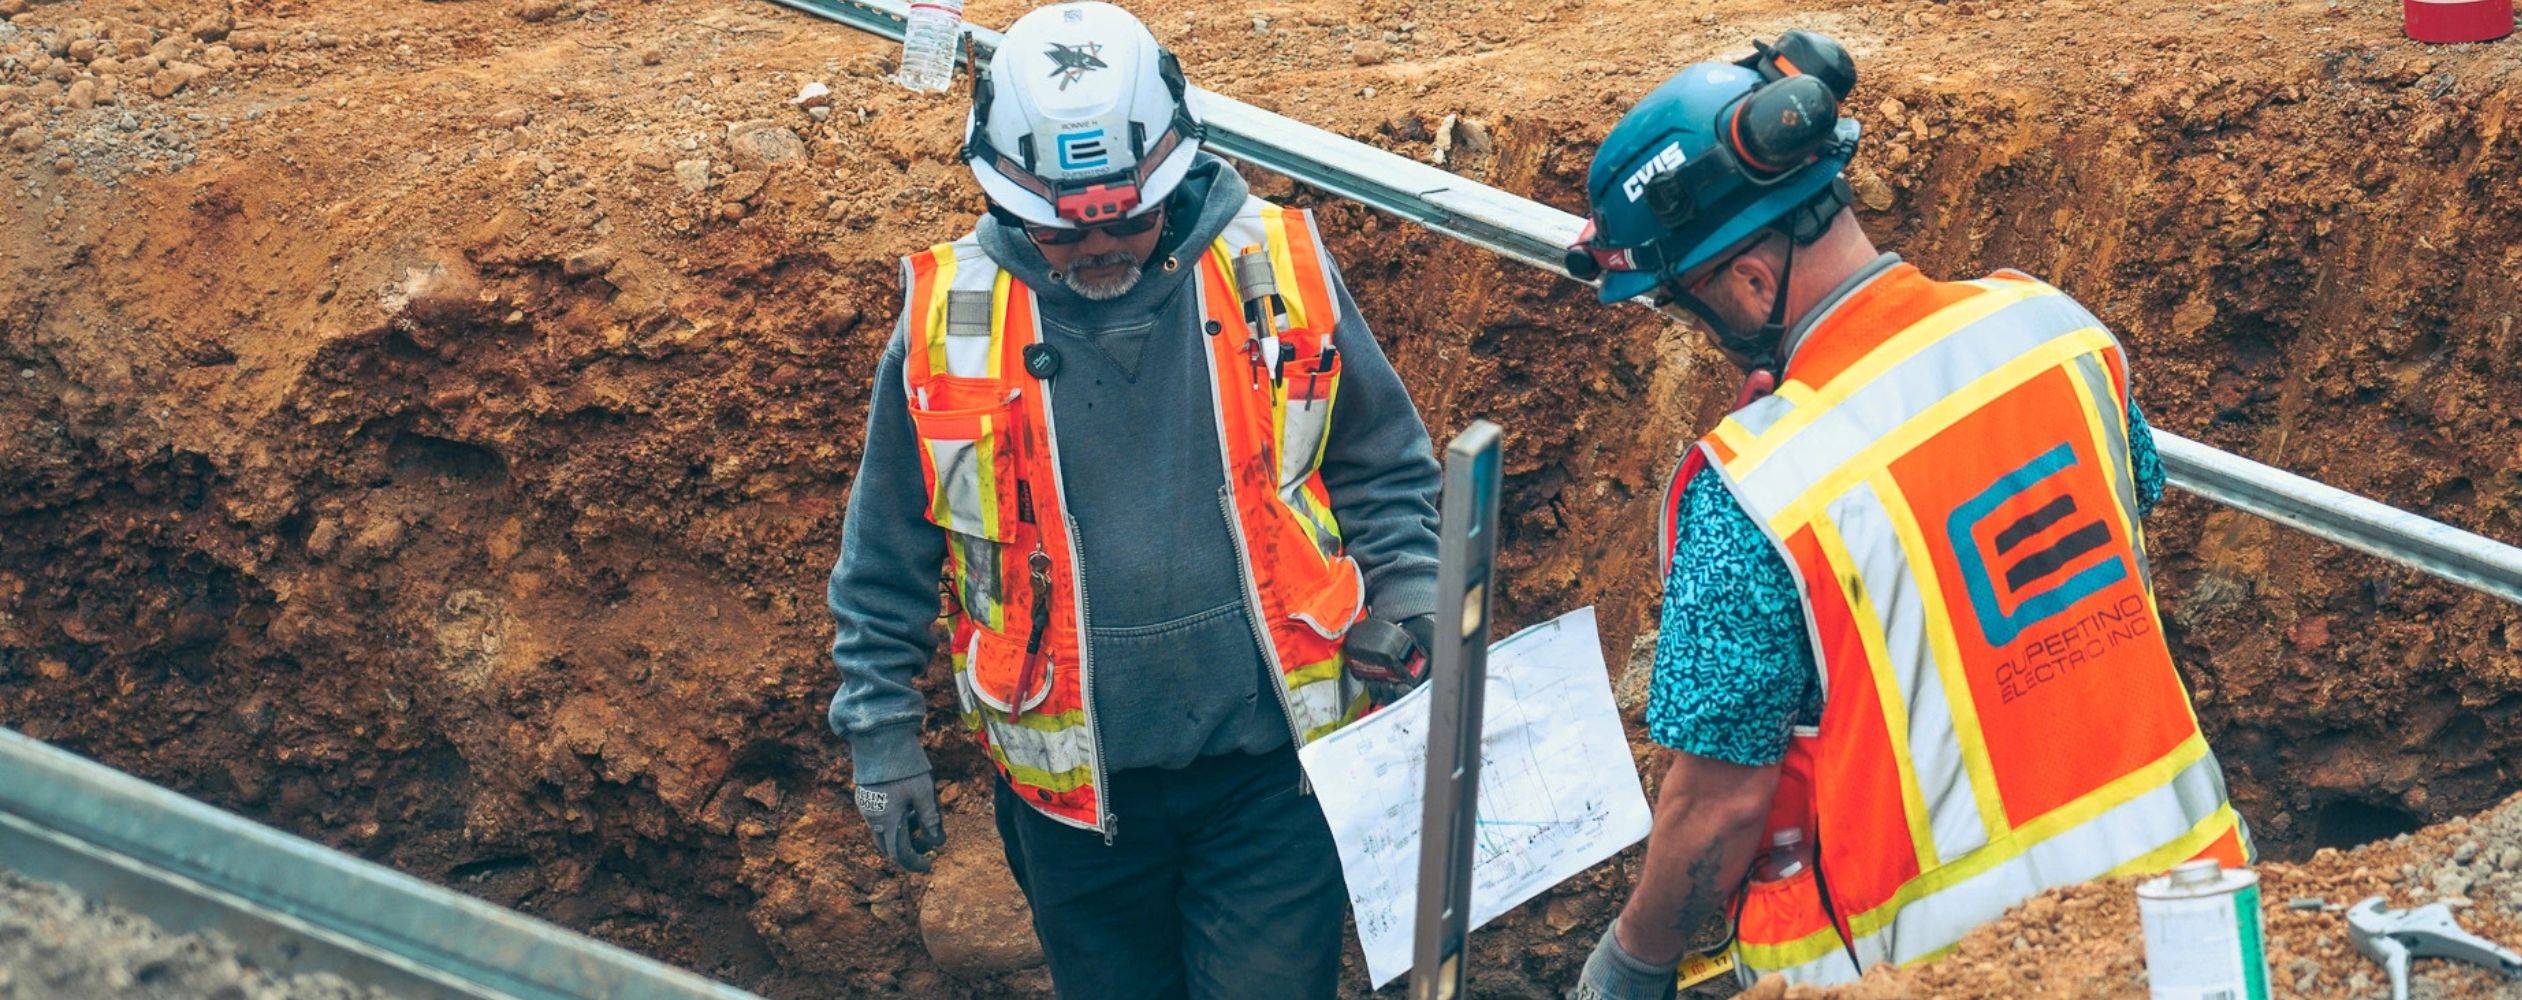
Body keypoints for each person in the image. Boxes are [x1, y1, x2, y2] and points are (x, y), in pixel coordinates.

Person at [1562, 33, 2250, 996]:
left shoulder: (1753, 489)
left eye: (1691, 307)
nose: (1704, 335)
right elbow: (2121, 506)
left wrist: (1633, 960)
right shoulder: (2052, 333)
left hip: (1955, 969)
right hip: (2196, 921)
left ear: (1752, 283)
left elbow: (1719, 804)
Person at [822, 4, 1442, 997]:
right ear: (1007, 199)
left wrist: (1408, 594)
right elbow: (886, 552)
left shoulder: (1272, 267)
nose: (1096, 248)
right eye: (1064, 232)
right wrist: (882, 733)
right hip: (1074, 808)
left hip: (1271, 775)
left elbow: (1382, 463)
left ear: (1174, 178)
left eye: (1126, 219)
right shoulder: (947, 325)